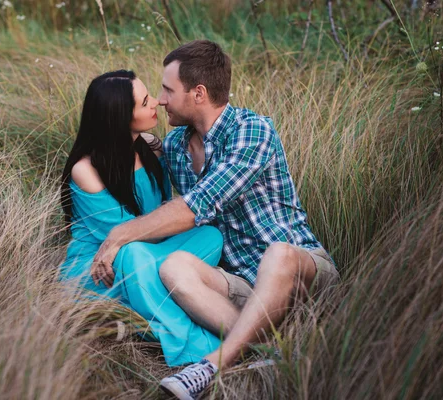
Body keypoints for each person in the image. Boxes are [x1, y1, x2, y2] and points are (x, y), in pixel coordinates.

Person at [90, 41, 340, 399]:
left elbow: (196, 207)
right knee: (174, 267)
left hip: (302, 271)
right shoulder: (176, 146)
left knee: (278, 254)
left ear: (199, 93)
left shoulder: (251, 131)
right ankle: (270, 352)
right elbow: (137, 149)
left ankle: (209, 366)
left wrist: (118, 236)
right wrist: (131, 136)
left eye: (167, 90)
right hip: (245, 286)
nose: (160, 100)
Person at [59, 70, 225, 367]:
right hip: (104, 266)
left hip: (151, 251)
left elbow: (163, 210)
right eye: (145, 101)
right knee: (133, 254)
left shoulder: (150, 146)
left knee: (211, 235)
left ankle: (157, 296)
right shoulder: (86, 170)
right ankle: (199, 344)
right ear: (119, 117)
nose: (157, 104)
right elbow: (121, 235)